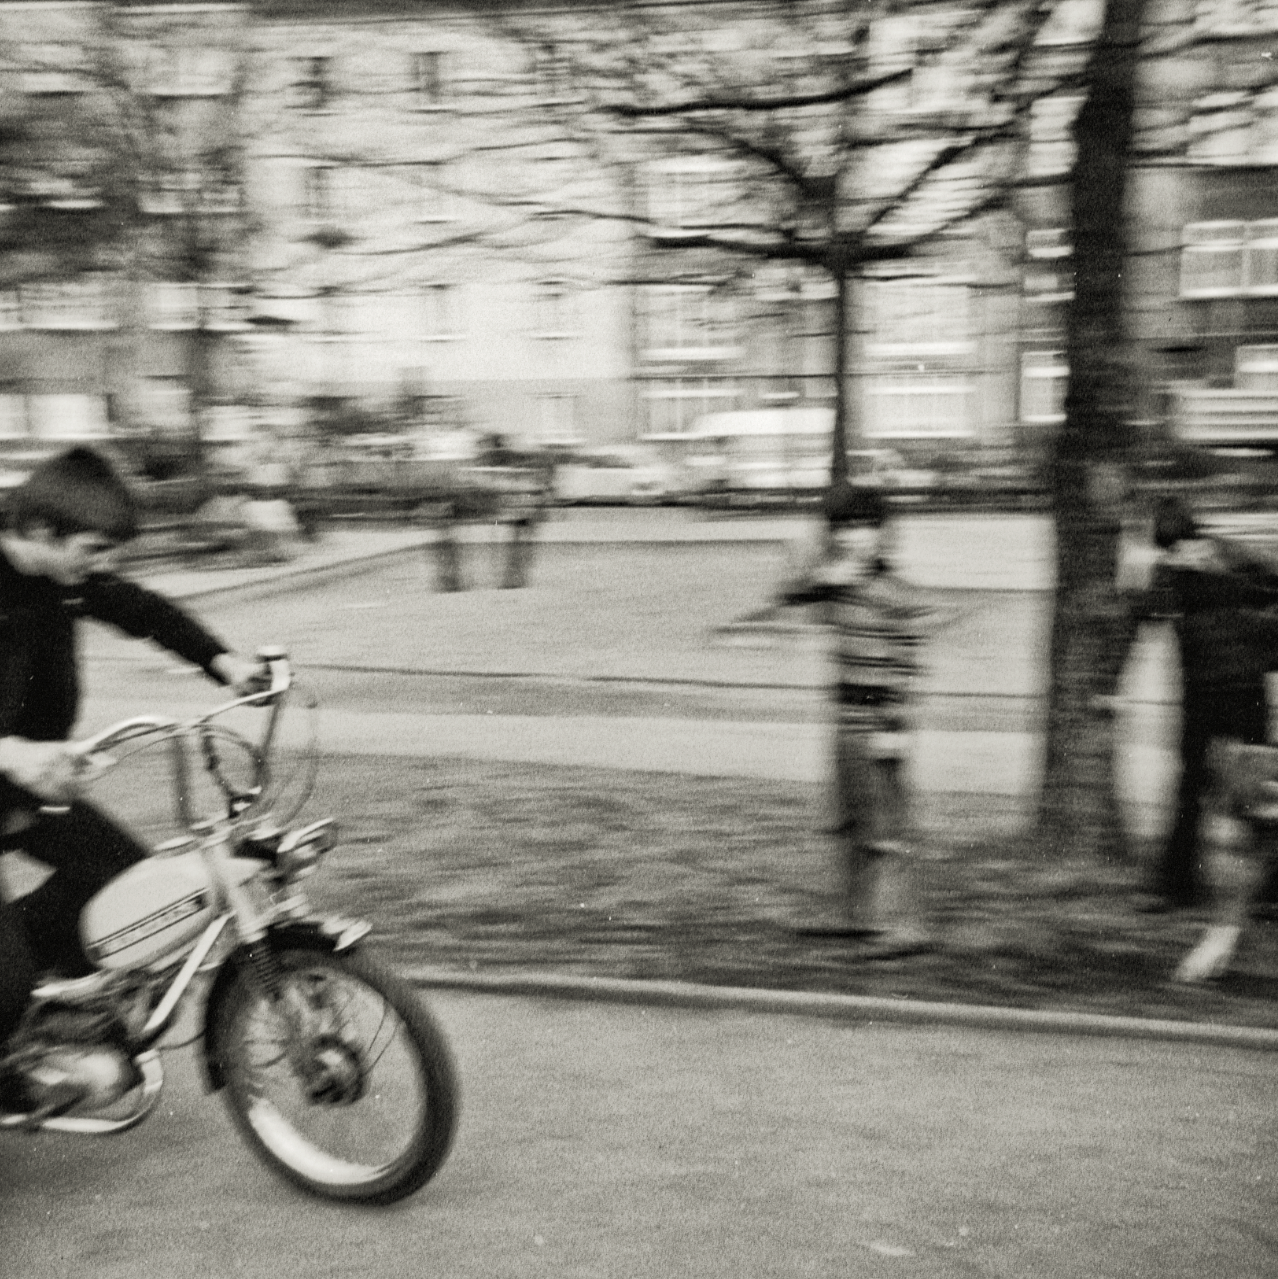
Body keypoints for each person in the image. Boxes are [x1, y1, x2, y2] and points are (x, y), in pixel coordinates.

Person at [0, 447, 262, 1073]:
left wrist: (223, 662)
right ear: (42, 531)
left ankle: (29, 984)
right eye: (93, 550)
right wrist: (11, 752)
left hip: (24, 787)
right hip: (15, 769)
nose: (102, 565)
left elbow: (141, 610)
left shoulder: (63, 578)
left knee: (123, 882)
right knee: (5, 988)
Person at [779, 482, 957, 957]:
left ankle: (909, 924)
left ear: (882, 533)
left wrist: (893, 729)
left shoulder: (896, 591)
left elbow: (907, 665)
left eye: (865, 527)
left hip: (879, 719)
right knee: (848, 819)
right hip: (844, 716)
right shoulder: (835, 586)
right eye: (844, 529)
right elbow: (788, 597)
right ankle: (854, 914)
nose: (854, 537)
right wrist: (823, 572)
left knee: (888, 826)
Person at [1137, 496, 1278, 910]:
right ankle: (1177, 888)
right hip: (1200, 694)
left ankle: (1268, 893)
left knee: (1258, 790)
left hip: (1245, 688)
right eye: (1169, 550)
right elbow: (1147, 614)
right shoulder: (1169, 572)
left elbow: (1272, 587)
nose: (1176, 554)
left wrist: (1263, 640)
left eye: (1179, 545)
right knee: (1190, 788)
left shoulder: (1233, 556)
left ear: (1193, 534)